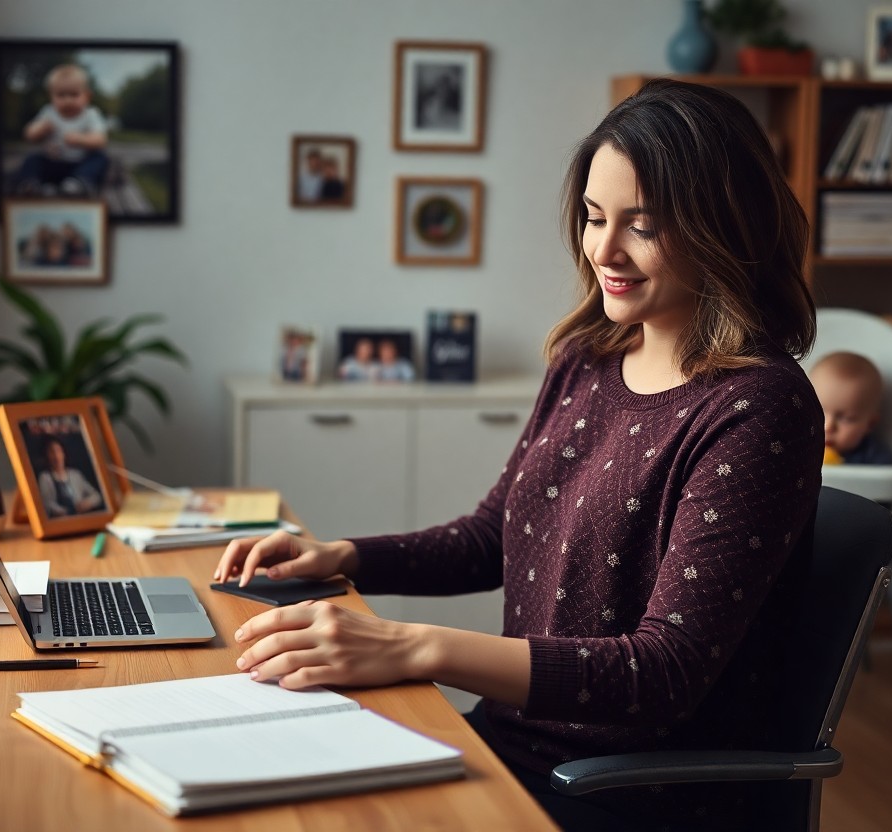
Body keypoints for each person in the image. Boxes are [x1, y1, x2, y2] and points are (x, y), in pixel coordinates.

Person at [215, 78, 823, 831]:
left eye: (645, 224)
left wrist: (410, 646)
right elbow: (494, 536)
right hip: (511, 744)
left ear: (725, 227)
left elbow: (663, 672)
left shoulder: (758, 406)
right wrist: (337, 555)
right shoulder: (587, 358)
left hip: (624, 791)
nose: (604, 249)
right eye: (595, 218)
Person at [13, 63, 110, 198]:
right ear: (51, 96)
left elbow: (101, 140)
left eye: (74, 94)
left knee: (100, 159)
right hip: (53, 163)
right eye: (61, 95)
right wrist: (40, 130)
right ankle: (30, 185)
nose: (67, 100)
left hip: (79, 165)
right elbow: (29, 134)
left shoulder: (90, 114)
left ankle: (78, 185)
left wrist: (81, 139)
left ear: (87, 96)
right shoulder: (49, 113)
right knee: (33, 159)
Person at [809, 351, 892, 465]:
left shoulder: (876, 459)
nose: (828, 427)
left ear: (870, 424)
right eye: (817, 412)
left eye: (846, 418)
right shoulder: (796, 446)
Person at [37, 435, 105, 517]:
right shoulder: (45, 477)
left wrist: (87, 503)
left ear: (63, 454)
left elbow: (96, 496)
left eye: (58, 451)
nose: (56, 456)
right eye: (52, 452)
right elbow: (47, 504)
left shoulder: (75, 475)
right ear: (47, 456)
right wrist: (67, 512)